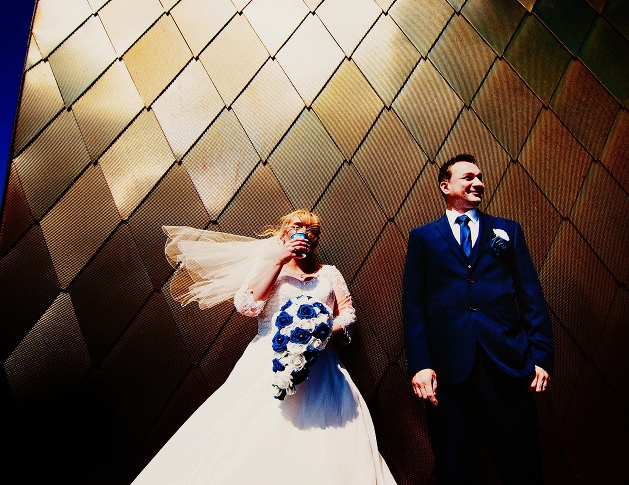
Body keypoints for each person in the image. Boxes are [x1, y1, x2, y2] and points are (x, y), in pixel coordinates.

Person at [132, 211, 396, 485]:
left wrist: (319, 330)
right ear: (284, 233)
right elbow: (247, 306)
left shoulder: (328, 273)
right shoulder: (268, 265)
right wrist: (278, 261)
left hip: (321, 364)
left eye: (313, 230)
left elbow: (348, 315)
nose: (306, 233)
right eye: (298, 226)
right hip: (268, 361)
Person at [402, 154, 553, 485]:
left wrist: (540, 355)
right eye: (468, 177)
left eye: (480, 177)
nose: (478, 183)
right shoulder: (423, 238)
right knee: (453, 464)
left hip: (508, 362)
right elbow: (413, 306)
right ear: (446, 186)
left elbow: (530, 295)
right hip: (449, 367)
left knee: (522, 463)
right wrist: (420, 364)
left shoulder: (507, 230)